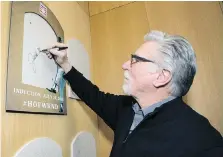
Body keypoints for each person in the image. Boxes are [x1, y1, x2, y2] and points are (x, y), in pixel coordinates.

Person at [46, 30, 223, 157]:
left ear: (162, 76)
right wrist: (66, 65)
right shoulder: (127, 108)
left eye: (135, 60)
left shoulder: (203, 141)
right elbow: (93, 95)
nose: (125, 65)